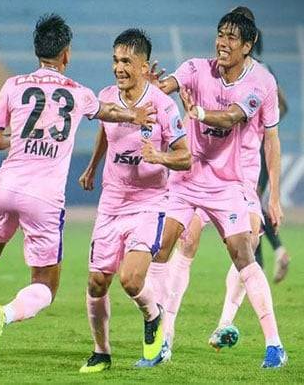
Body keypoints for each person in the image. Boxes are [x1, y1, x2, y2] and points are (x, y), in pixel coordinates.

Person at [0, 14, 156, 365]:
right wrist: (133, 116)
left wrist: (21, 138)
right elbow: (107, 111)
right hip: (44, 198)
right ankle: (2, 315)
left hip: (7, 186)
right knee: (46, 286)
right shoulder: (78, 93)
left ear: (37, 51)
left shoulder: (13, 85)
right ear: (66, 54)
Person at [146, 11, 286, 368]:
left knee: (244, 249)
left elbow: (240, 120)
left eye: (231, 37)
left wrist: (273, 195)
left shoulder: (261, 83)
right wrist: (148, 87)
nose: (222, 42)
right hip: (190, 176)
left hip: (233, 182)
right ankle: (164, 339)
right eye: (220, 34)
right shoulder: (195, 68)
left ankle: (272, 344)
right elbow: (165, 90)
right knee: (172, 245)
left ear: (248, 45)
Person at [76, 29, 191, 373]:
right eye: (115, 60)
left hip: (149, 202)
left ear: (143, 66)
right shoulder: (107, 96)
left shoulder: (162, 104)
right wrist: (92, 166)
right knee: (97, 282)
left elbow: (185, 157)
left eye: (126, 61)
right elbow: (103, 128)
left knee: (130, 280)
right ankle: (101, 352)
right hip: (111, 202)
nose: (118, 67)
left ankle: (153, 316)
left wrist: (158, 157)